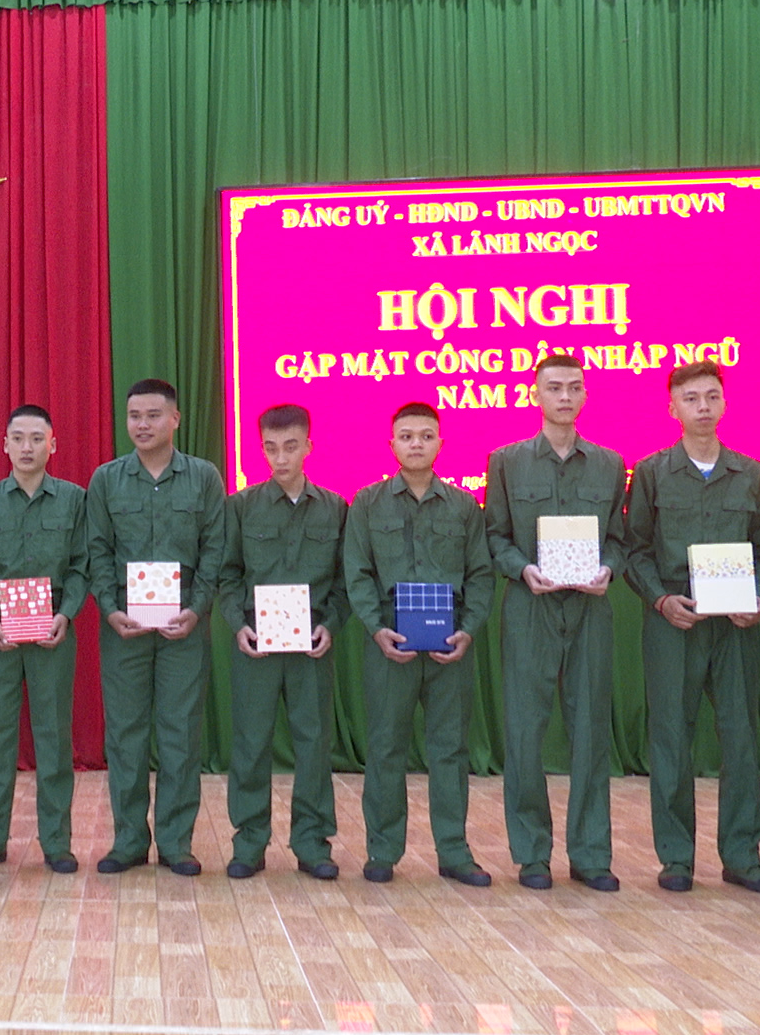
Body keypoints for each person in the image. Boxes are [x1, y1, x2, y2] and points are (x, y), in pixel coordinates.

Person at [624, 360, 760, 896]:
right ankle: (676, 858)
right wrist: (660, 598)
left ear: (724, 403)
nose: (702, 407)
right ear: (672, 408)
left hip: (735, 627)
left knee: (740, 738)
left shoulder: (752, 475)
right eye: (691, 398)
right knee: (671, 738)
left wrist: (759, 595)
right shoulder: (651, 473)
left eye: (711, 396)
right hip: (674, 623)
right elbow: (635, 551)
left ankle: (743, 856)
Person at [483, 354, 626, 893]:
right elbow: (494, 536)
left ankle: (590, 855)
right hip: (530, 607)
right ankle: (532, 855)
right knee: (524, 733)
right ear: (534, 395)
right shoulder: (506, 461)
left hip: (589, 609)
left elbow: (619, 540)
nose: (564, 396)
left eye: (574, 387)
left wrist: (608, 568)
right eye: (554, 388)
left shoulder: (610, 464)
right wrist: (522, 569)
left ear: (585, 395)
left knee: (590, 732)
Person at [342, 402, 495, 886]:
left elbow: (481, 574)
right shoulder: (367, 503)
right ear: (392, 445)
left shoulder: (464, 506)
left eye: (426, 436)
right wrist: (375, 628)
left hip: (449, 643)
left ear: (440, 444)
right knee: (386, 747)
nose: (416, 444)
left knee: (449, 750)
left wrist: (468, 629)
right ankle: (382, 851)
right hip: (391, 640)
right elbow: (357, 573)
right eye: (406, 436)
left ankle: (454, 852)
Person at [84, 379, 229, 876]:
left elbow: (215, 550)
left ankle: (175, 842)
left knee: (180, 734)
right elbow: (97, 551)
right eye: (134, 416)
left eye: (152, 415)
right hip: (124, 628)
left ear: (175, 419)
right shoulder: (107, 479)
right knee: (125, 735)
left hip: (182, 629)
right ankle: (128, 840)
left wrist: (197, 608)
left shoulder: (204, 477)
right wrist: (109, 609)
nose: (142, 425)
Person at [216, 404, 347, 881]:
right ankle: (249, 842)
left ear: (309, 446)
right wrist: (238, 624)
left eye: (291, 447)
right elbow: (228, 574)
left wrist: (331, 624)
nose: (280, 458)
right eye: (271, 448)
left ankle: (312, 843)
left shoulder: (335, 508)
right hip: (258, 646)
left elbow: (346, 580)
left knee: (314, 744)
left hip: (311, 646)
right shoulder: (241, 506)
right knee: (251, 744)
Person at [0, 404, 88, 874]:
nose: (27, 447)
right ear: (5, 445)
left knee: (53, 736)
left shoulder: (74, 500)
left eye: (37, 439)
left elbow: (82, 566)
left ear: (53, 444)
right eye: (18, 438)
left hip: (52, 631)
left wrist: (66, 614)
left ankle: (57, 842)